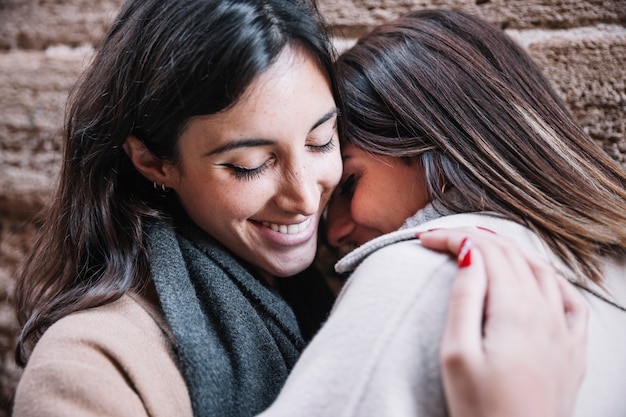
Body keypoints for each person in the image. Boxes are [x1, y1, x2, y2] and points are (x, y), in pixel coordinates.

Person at [11, 1, 587, 416]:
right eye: (249, 164)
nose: (306, 194)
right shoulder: (92, 368)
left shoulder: (345, 285)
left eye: (321, 142)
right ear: (154, 162)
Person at [300, 8, 621, 417]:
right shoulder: (614, 278)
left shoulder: (423, 273)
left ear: (438, 145)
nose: (333, 233)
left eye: (349, 184)